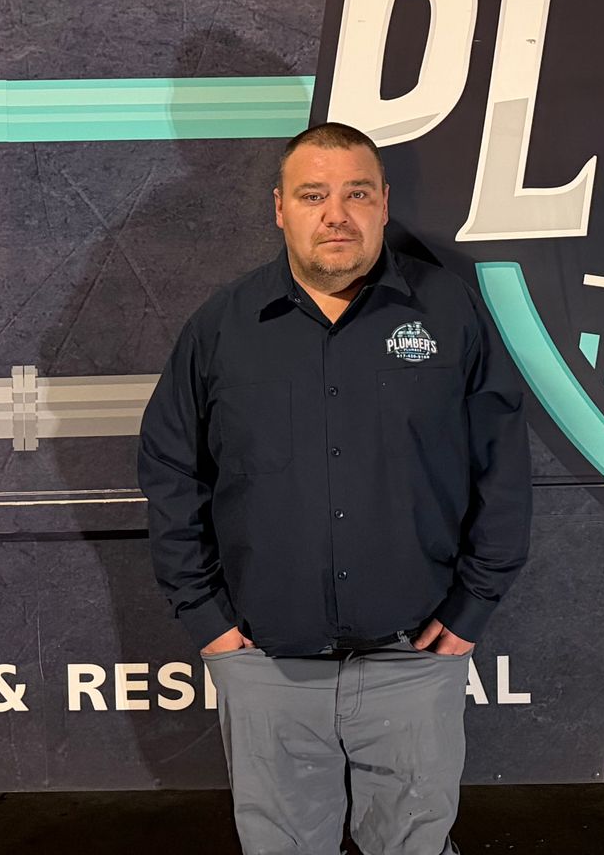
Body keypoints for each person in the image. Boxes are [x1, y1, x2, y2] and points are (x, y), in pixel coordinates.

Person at [138, 121, 533, 855]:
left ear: (383, 203)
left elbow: (503, 463)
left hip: (413, 659)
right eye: (313, 194)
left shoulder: (447, 312)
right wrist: (210, 625)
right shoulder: (222, 329)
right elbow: (170, 470)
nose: (336, 213)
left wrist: (474, 605)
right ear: (279, 208)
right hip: (267, 667)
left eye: (356, 193)